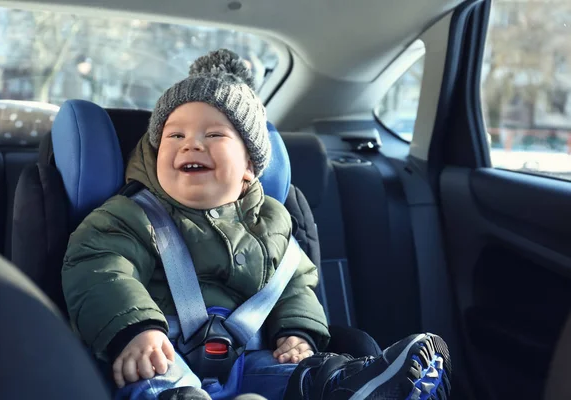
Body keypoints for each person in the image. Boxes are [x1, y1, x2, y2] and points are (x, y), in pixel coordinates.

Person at [62, 49, 451, 400]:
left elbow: (295, 284)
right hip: (163, 350)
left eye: (213, 134)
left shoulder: (274, 220)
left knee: (298, 375)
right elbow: (101, 268)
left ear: (249, 166)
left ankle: (351, 387)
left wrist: (297, 333)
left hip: (253, 358)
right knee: (154, 377)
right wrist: (136, 330)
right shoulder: (128, 215)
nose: (190, 144)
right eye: (174, 134)